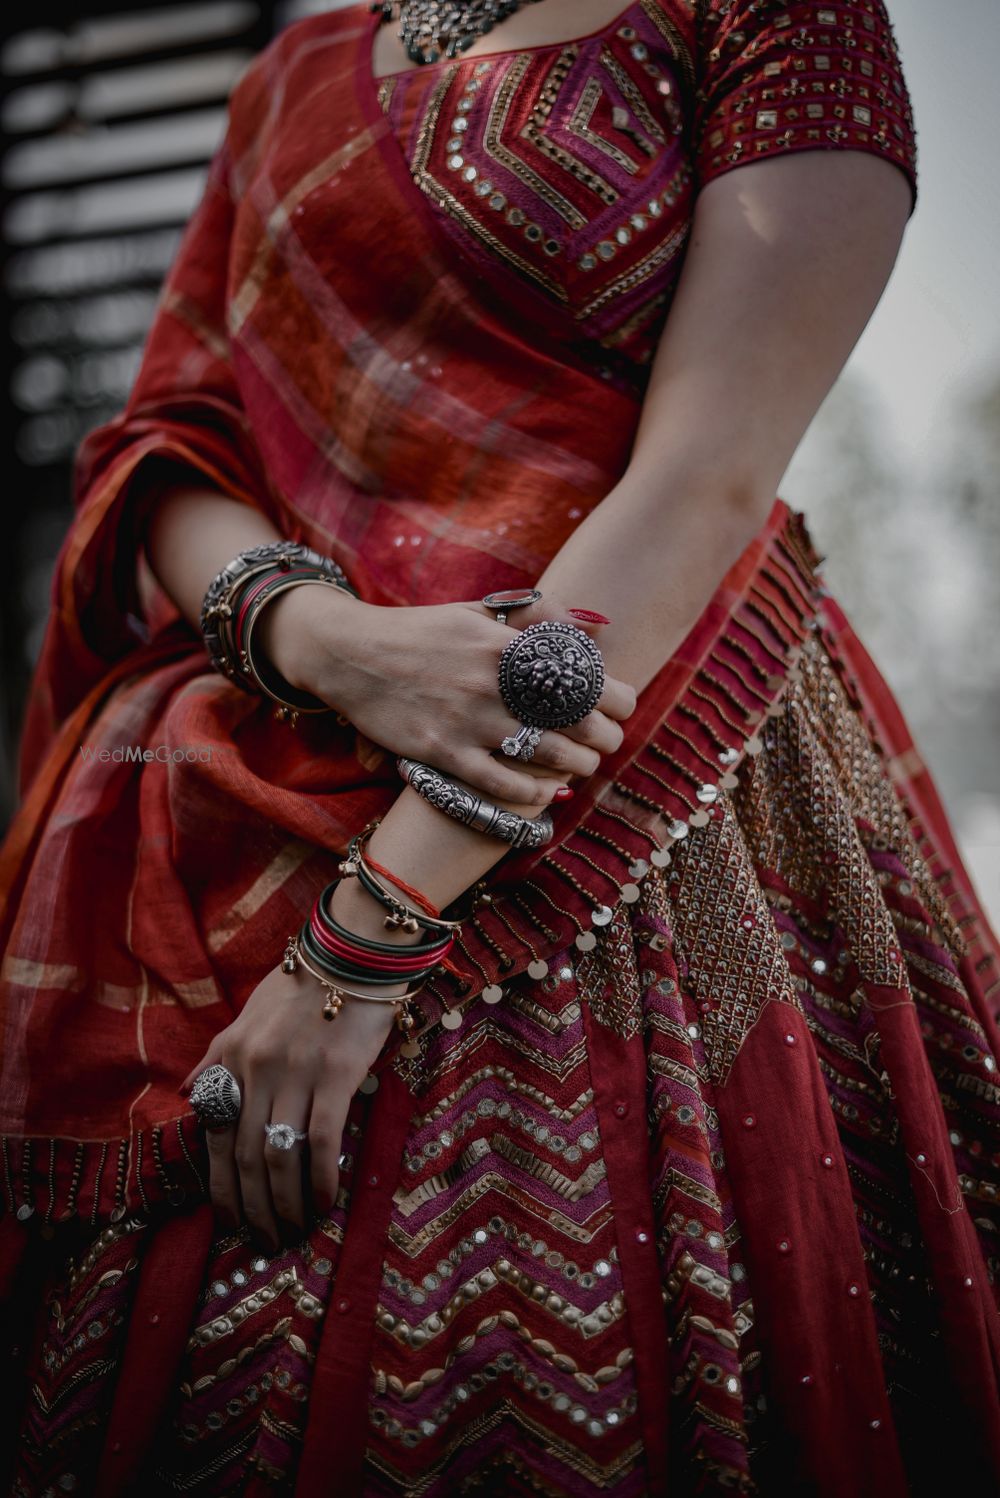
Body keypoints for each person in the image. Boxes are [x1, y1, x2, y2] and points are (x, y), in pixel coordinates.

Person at [1, 0, 998, 1492]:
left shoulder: (770, 19)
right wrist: (332, 643)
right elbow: (168, 441)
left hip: (636, 791)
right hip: (250, 791)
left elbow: (708, 478)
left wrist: (363, 944)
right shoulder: (293, 75)